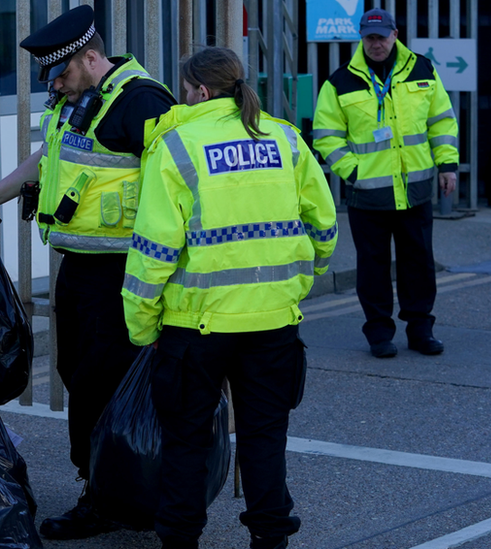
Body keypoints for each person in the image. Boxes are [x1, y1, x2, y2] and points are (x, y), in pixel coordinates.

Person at [0, 4, 176, 540]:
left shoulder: (142, 102)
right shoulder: (75, 100)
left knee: (96, 384)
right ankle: (113, 484)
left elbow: (179, 184)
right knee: (77, 377)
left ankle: (107, 496)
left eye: (61, 72)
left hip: (125, 273)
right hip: (79, 269)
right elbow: (47, 158)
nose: (53, 84)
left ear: (91, 56)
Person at [122, 47, 337, 549]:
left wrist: (143, 327)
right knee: (265, 440)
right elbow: (323, 223)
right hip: (274, 319)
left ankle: (180, 541)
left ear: (198, 90)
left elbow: (153, 250)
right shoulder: (284, 137)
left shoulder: (176, 145)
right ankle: (270, 538)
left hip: (196, 327)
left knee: (187, 442)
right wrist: (301, 281)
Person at [313, 8, 459, 358]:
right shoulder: (339, 82)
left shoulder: (422, 69)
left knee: (419, 263)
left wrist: (448, 166)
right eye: (369, 37)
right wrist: (355, 172)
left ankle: (421, 330)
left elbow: (442, 120)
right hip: (368, 195)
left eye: (381, 36)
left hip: (416, 190)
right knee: (373, 267)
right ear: (361, 39)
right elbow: (326, 136)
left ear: (395, 34)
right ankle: (379, 333)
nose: (375, 44)